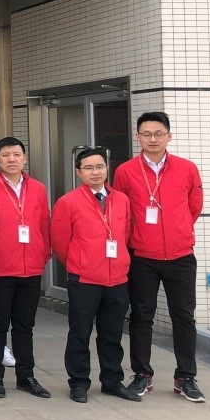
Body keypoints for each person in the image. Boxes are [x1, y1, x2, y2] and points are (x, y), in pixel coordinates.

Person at [112, 111, 205, 402]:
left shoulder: (187, 169)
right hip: (142, 255)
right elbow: (121, 211)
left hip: (180, 255)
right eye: (146, 134)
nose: (152, 139)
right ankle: (142, 374)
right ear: (138, 137)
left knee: (183, 317)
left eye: (158, 133)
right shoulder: (125, 171)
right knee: (141, 316)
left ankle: (186, 377)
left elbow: (194, 207)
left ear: (168, 136)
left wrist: (177, 231)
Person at [52, 148, 142, 403]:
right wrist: (79, 262)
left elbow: (125, 233)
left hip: (117, 278)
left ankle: (112, 381)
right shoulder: (68, 202)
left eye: (99, 166)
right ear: (78, 172)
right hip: (84, 279)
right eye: (89, 168)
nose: (95, 172)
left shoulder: (121, 199)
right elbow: (60, 241)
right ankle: (79, 382)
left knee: (112, 334)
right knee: (79, 333)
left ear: (107, 169)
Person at [0, 137, 52, 399]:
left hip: (31, 268)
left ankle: (26, 376)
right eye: (5, 155)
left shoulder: (38, 188)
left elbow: (44, 224)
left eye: (16, 154)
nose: (12, 159)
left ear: (24, 157)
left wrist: (43, 254)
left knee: (25, 326)